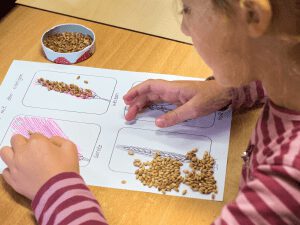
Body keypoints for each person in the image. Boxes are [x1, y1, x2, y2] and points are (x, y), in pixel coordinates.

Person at [1, 0, 299, 224]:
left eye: (187, 9)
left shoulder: (287, 183)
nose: (184, 27)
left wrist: (56, 191)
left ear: (253, 15)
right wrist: (231, 90)